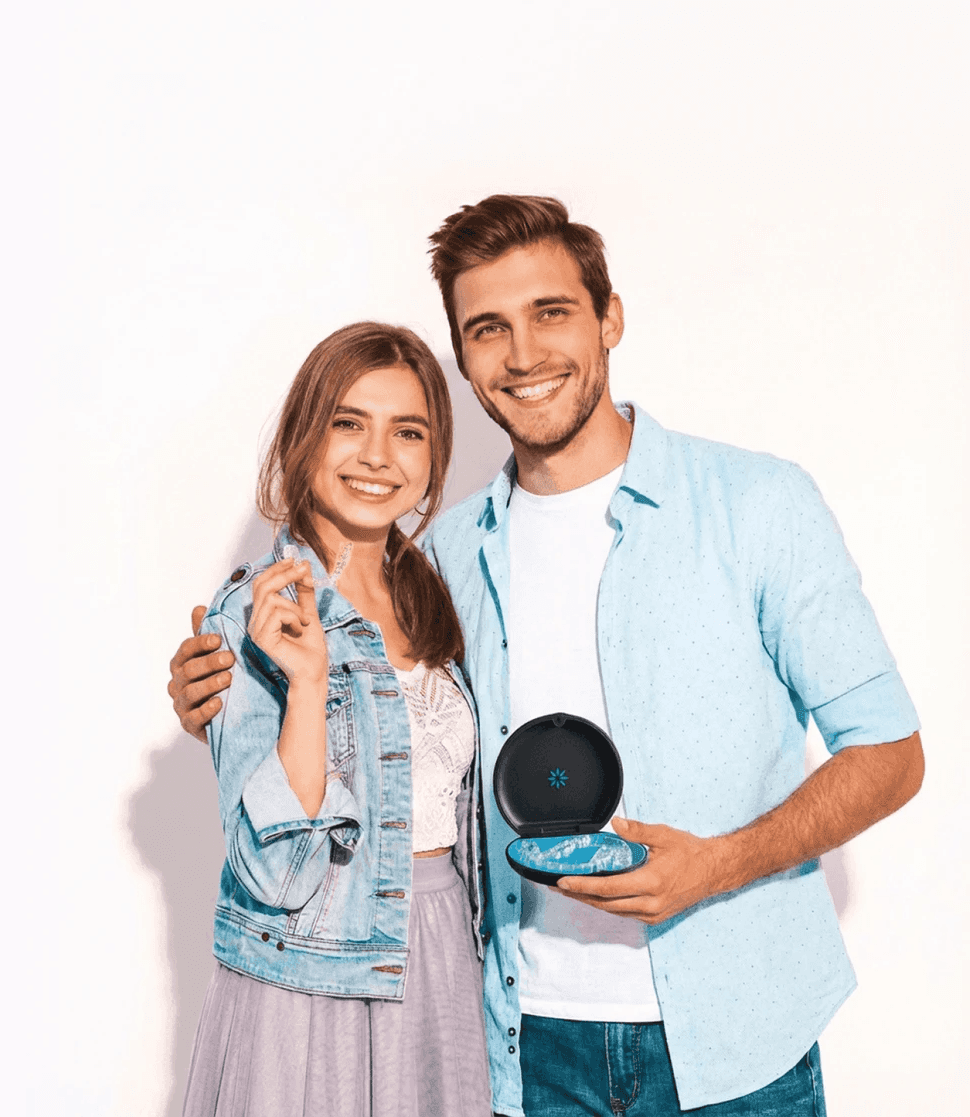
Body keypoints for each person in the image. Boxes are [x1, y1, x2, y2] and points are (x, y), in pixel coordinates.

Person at [171, 197, 924, 1117]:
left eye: (551, 313)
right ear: (466, 356)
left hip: (734, 1043)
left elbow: (889, 752)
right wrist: (225, 679)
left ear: (610, 317)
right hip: (519, 1051)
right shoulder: (441, 558)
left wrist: (716, 865)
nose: (522, 355)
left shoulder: (756, 504)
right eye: (488, 328)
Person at [179, 321, 492, 1117]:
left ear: (433, 457)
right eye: (349, 422)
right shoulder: (255, 611)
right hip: (313, 982)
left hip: (440, 959)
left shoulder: (435, 592)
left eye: (408, 431)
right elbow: (275, 871)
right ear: (303, 436)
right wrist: (309, 683)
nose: (378, 455)